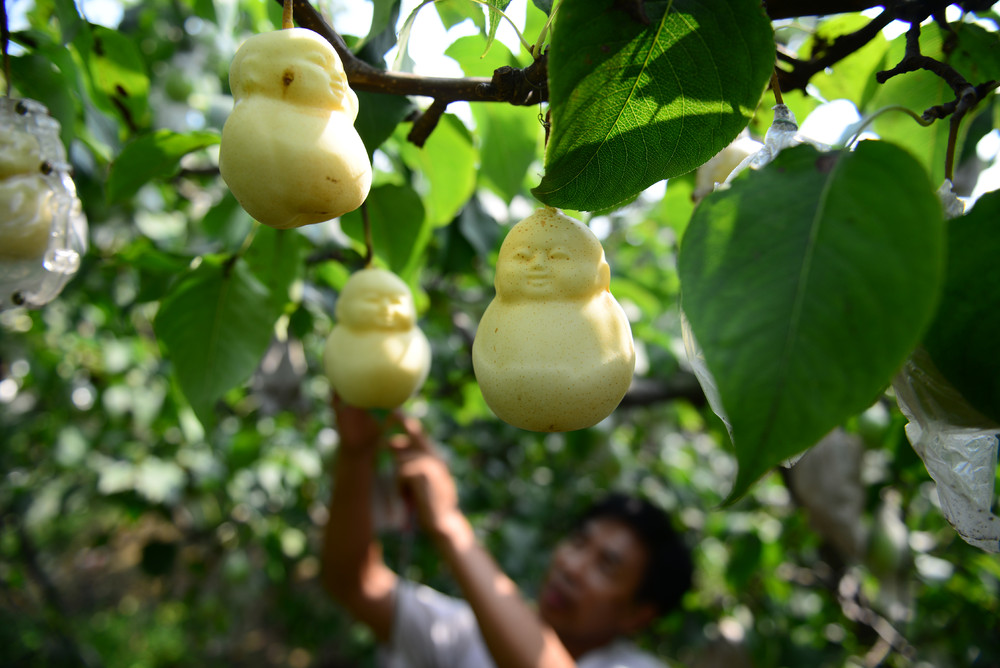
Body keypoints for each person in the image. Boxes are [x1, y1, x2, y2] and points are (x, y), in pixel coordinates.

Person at [322, 396, 694, 668]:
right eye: (579, 542)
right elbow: (354, 583)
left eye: (606, 566)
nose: (573, 566)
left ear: (638, 614)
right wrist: (358, 452)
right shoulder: (467, 634)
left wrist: (450, 524)